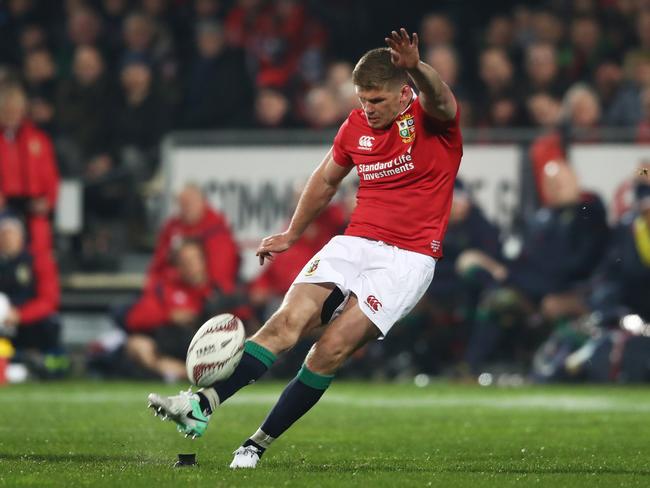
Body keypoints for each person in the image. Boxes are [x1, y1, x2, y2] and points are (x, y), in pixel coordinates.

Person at [148, 28, 461, 468]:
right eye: (362, 100)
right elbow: (326, 180)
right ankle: (203, 405)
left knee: (329, 348)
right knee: (286, 321)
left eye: (377, 101)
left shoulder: (432, 120)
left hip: (408, 258)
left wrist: (417, 67)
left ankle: (255, 443)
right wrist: (292, 233)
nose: (367, 110)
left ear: (403, 91)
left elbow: (442, 97)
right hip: (354, 242)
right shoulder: (355, 127)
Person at [124, 240, 212, 382]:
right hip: (168, 349)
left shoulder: (217, 291)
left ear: (204, 261)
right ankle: (180, 374)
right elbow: (135, 318)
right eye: (185, 261)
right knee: (137, 344)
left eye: (195, 259)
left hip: (207, 350)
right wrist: (169, 316)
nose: (191, 265)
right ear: (177, 266)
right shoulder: (165, 289)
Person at [0, 217, 60, 356]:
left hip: (29, 320)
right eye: (3, 235)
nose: (7, 240)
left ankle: (38, 358)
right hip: (4, 320)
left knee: (48, 323)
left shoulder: (36, 261)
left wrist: (20, 315)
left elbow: (49, 301)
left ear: (21, 237)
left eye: (11, 235)